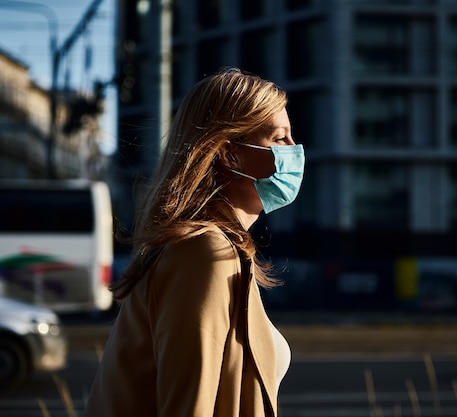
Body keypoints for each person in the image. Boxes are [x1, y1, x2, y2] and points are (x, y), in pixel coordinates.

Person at [84, 68, 305, 417]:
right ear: (229, 154)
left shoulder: (219, 248)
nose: (295, 151)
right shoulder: (203, 252)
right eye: (279, 139)